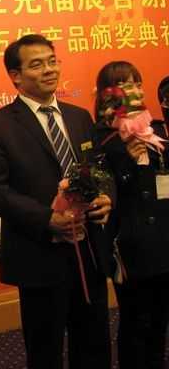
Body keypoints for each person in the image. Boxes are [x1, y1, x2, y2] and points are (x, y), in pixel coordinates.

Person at [0, 34, 112, 369]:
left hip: (88, 250)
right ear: (16, 76)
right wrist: (47, 218)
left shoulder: (79, 117)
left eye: (52, 61)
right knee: (45, 349)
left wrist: (106, 196)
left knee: (94, 343)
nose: (49, 70)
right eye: (37, 65)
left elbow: (101, 169)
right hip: (38, 252)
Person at [95, 61, 169, 369]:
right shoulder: (102, 139)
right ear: (107, 94)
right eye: (125, 84)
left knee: (160, 321)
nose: (135, 90)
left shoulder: (158, 130)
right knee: (135, 321)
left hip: (163, 238)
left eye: (137, 83)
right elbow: (105, 192)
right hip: (129, 245)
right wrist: (129, 161)